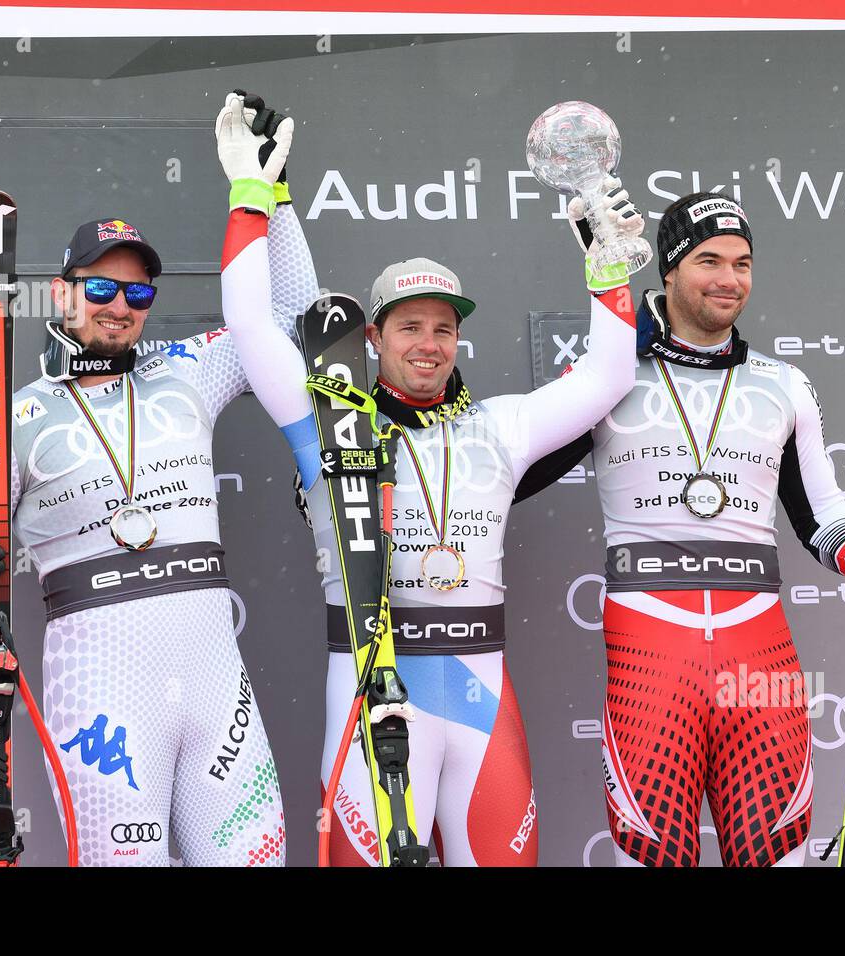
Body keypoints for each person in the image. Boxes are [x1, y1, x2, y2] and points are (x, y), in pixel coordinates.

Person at [213, 92, 643, 865]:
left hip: (480, 696)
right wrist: (251, 196)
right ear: (373, 336)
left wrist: (606, 265)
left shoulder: (501, 426)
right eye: (409, 326)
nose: (429, 343)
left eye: (444, 328)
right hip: (368, 684)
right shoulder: (326, 424)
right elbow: (249, 325)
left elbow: (609, 377)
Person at [0, 141, 318, 865]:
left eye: (138, 293)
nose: (120, 307)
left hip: (214, 682)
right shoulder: (10, 418)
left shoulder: (188, 370)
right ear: (63, 294)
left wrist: (271, 196)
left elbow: (289, 317)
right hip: (101, 687)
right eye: (101, 289)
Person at [575, 191, 845, 867]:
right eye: (709, 260)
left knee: (776, 855)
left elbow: (823, 518)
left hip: (761, 658)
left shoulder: (782, 385)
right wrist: (608, 293)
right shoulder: (608, 375)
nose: (729, 278)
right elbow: (523, 460)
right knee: (654, 855)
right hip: (649, 661)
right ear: (667, 269)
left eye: (743, 262)